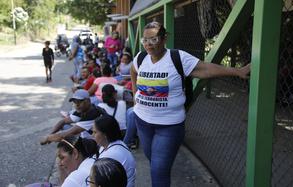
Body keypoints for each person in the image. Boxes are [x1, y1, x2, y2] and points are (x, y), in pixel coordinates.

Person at [130, 21, 251, 187]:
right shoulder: (141, 57)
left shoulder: (176, 57)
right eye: (145, 40)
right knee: (155, 162)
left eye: (154, 39)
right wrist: (135, 93)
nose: (148, 44)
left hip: (168, 126)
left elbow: (205, 69)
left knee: (158, 171)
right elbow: (133, 70)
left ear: (164, 38)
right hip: (142, 122)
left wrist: (237, 71)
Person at [40, 89, 106, 144]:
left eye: (79, 102)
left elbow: (66, 134)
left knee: (64, 145)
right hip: (90, 136)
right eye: (74, 102)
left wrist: (48, 138)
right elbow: (63, 121)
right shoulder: (83, 109)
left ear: (88, 101)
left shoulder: (93, 113)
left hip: (99, 143)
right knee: (63, 126)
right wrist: (51, 134)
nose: (76, 105)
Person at [92, 114, 136, 187]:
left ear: (105, 135)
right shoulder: (108, 145)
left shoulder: (112, 154)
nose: (92, 135)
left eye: (95, 132)